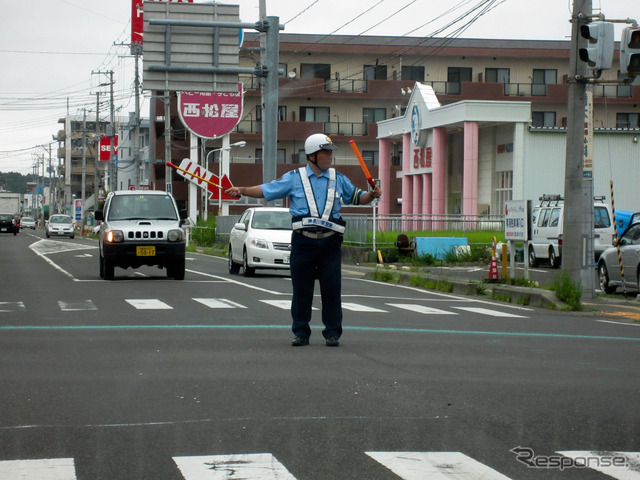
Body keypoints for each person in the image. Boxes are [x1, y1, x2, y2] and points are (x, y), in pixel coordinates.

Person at [226, 133, 382, 347]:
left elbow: (358, 197)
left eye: (330, 152)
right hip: (303, 242)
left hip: (330, 243)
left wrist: (372, 195)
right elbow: (267, 189)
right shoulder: (294, 177)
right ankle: (301, 332)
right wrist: (242, 190)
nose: (330, 156)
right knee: (301, 289)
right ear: (312, 156)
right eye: (325, 152)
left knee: (332, 289)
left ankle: (332, 332)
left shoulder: (339, 178)